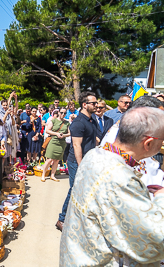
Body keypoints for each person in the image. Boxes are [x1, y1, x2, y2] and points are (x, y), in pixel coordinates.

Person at [60, 107, 164, 266]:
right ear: (148, 143)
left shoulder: (94, 155)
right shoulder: (120, 178)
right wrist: (161, 197)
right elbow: (154, 241)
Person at [56, 91, 98, 232]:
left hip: (89, 160)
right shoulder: (78, 123)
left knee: (84, 190)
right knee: (75, 189)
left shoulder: (92, 120)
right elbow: (76, 145)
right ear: (85, 105)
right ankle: (61, 219)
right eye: (93, 103)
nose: (96, 105)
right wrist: (81, 166)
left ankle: (78, 216)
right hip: (77, 162)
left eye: (96, 102)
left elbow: (93, 140)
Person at [41, 107, 70, 182]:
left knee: (57, 160)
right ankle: (43, 174)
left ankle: (52, 175)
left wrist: (63, 135)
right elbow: (47, 130)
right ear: (58, 112)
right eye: (61, 112)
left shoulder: (67, 122)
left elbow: (69, 133)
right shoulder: (53, 121)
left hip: (62, 142)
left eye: (64, 113)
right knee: (49, 159)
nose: (63, 114)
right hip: (53, 141)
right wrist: (56, 134)